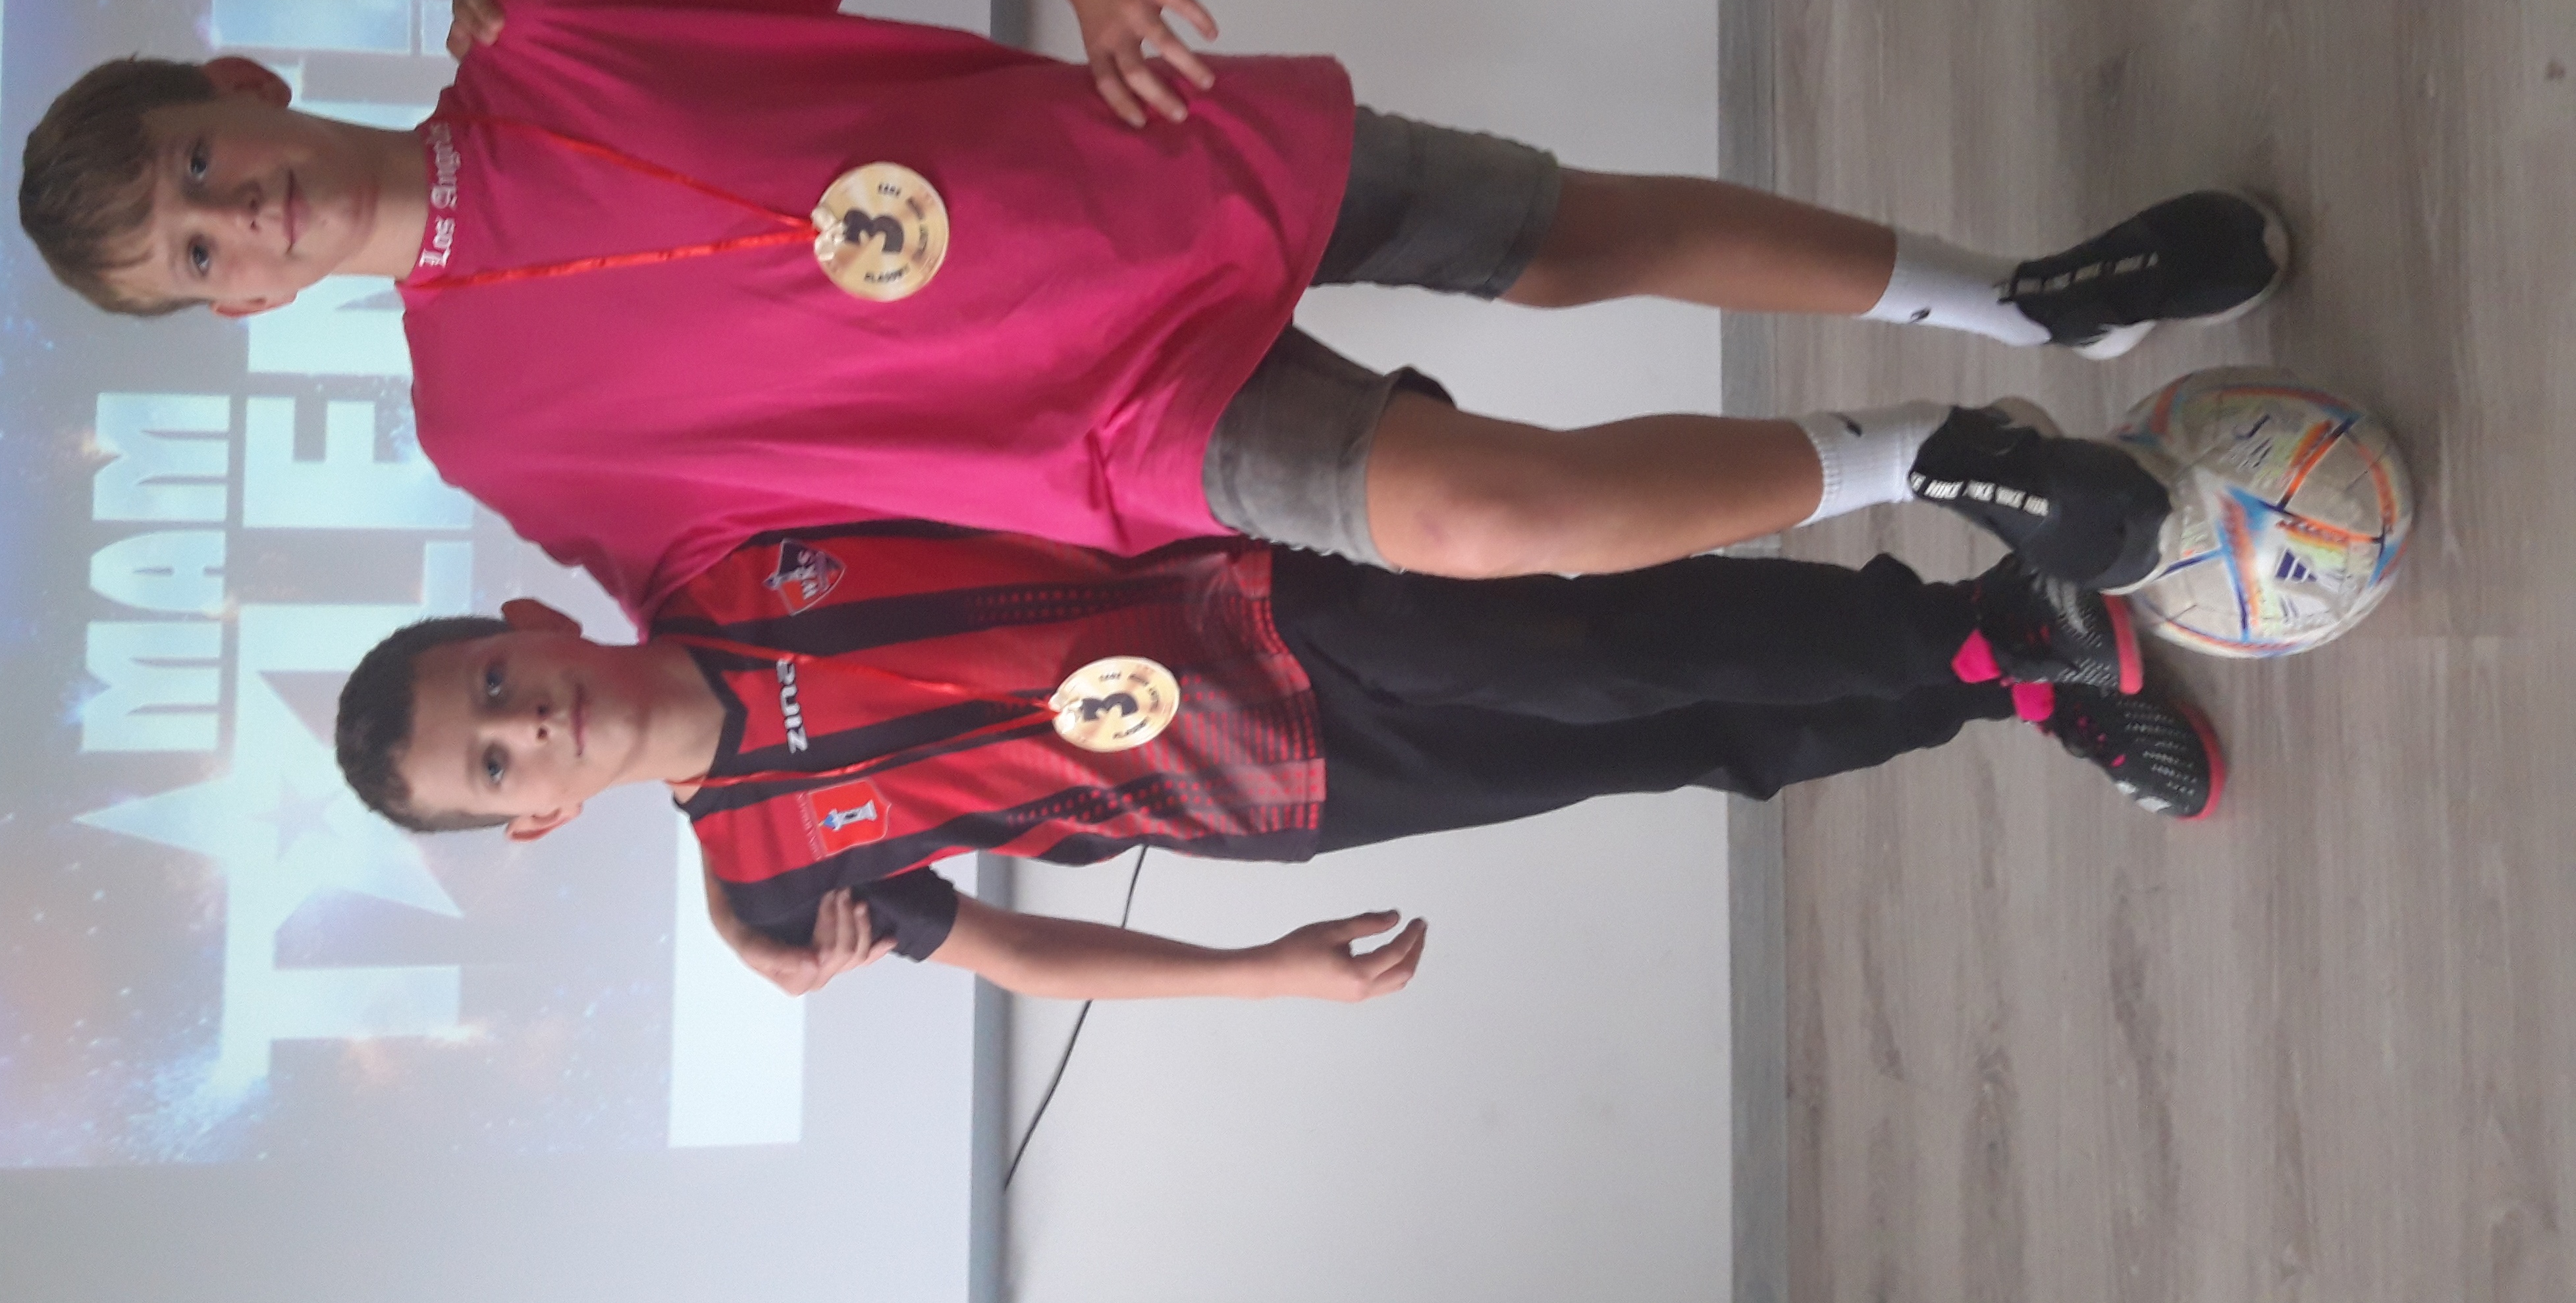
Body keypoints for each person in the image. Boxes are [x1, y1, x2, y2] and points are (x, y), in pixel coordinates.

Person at [16, 0, 2286, 618]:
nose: (245, 217)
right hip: (1107, 433)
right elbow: (738, 595)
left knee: (1574, 236)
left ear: (245, 86)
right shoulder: (487, 436)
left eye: (206, 167)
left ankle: (2036, 305)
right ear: (235, 315)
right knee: (1487, 517)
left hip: (1142, 163)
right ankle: (1935, 456)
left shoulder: (556, 21)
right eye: (200, 254)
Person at [329, 520, 2224, 1005]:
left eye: (497, 682)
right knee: (1673, 745)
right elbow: (1013, 951)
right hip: (1272, 793)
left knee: (1605, 645)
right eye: (494, 766)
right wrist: (1261, 976)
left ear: (534, 617)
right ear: (537, 818)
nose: (525, 725)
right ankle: (2004, 686)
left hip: (1260, 600)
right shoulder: (769, 889)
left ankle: (1987, 620)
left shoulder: (722, 545)